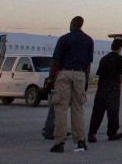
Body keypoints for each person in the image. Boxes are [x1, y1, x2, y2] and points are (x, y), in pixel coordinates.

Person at [48, 16, 94, 153]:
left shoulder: (64, 39)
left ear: (72, 24)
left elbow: (56, 60)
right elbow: (88, 64)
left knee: (61, 108)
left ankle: (59, 142)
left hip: (65, 73)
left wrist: (51, 78)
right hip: (80, 74)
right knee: (78, 109)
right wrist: (85, 79)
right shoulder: (88, 40)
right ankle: (80, 141)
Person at [87, 38, 122, 142]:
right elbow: (121, 74)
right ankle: (112, 133)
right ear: (120, 47)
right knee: (113, 112)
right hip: (113, 88)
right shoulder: (121, 59)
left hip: (101, 87)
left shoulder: (104, 58)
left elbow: (99, 74)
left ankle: (92, 133)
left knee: (97, 112)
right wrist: (118, 84)